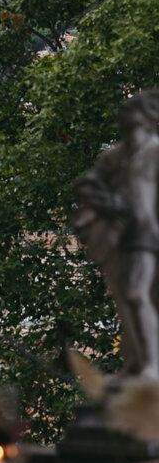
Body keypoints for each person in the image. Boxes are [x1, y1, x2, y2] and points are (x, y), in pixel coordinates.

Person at [75, 90, 159, 378]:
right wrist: (109, 204)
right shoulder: (118, 155)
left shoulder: (154, 151)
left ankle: (151, 364)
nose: (129, 130)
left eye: (134, 124)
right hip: (129, 234)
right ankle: (140, 362)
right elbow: (88, 182)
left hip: (149, 232)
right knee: (130, 297)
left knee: (138, 294)